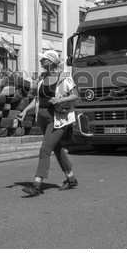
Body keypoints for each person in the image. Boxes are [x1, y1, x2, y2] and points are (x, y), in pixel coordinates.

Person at [18, 50, 79, 197]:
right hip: (43, 118)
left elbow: (75, 95)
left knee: (45, 150)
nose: (40, 61)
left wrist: (59, 100)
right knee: (56, 149)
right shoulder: (42, 77)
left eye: (43, 59)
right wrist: (26, 110)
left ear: (51, 62)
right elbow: (37, 99)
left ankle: (36, 185)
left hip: (58, 120)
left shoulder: (64, 77)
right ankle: (71, 179)